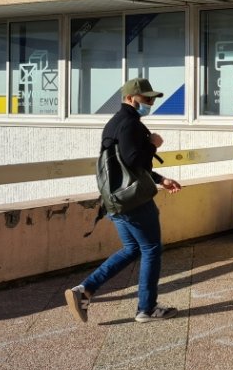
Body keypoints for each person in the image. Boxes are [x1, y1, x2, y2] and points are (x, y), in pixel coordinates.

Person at [65, 77, 182, 324]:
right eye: (146, 98)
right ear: (130, 98)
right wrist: (153, 145)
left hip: (115, 199)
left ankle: (84, 290)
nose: (150, 103)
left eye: (152, 99)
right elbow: (134, 160)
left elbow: (124, 167)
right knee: (151, 249)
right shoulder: (130, 124)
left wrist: (161, 179)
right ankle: (147, 308)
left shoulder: (114, 123)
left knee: (132, 249)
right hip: (133, 202)